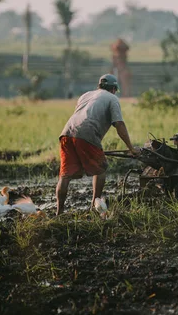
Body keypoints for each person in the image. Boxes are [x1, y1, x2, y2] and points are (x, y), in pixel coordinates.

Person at [56, 74, 139, 216]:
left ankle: (59, 212)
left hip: (66, 133)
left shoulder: (86, 95)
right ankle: (95, 207)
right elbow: (119, 124)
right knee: (100, 170)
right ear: (113, 89)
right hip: (87, 132)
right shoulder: (112, 98)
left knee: (65, 175)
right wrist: (132, 149)